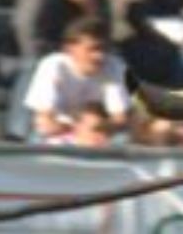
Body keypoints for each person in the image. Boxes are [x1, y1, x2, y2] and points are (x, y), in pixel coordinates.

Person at [20, 16, 131, 144]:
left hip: (98, 134)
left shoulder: (115, 66)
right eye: (92, 49)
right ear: (70, 49)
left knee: (122, 140)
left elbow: (120, 119)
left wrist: (96, 128)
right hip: (60, 134)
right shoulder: (53, 66)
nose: (99, 56)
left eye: (103, 49)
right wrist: (78, 130)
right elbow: (45, 123)